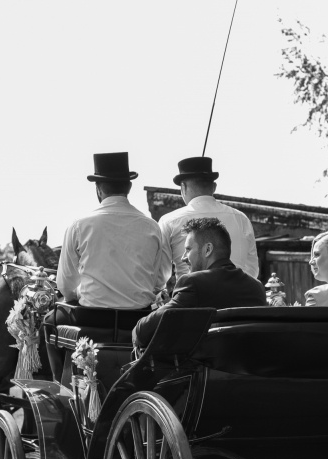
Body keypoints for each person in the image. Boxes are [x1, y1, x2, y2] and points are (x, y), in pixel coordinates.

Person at [44, 152, 170, 379]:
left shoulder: (79, 226)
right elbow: (161, 280)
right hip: (136, 322)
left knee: (48, 321)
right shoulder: (152, 227)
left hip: (91, 321)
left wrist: (81, 293)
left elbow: (65, 286)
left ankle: (60, 385)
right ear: (129, 187)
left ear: (98, 189)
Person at [133, 217, 266, 348]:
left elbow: (143, 331)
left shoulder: (192, 283)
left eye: (188, 249)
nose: (183, 257)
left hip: (205, 368)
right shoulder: (256, 288)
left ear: (208, 249)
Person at [158, 156, 259, 282]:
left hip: (191, 297)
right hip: (239, 298)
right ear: (214, 187)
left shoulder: (168, 221)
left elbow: (161, 275)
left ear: (183, 187)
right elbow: (252, 270)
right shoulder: (241, 219)